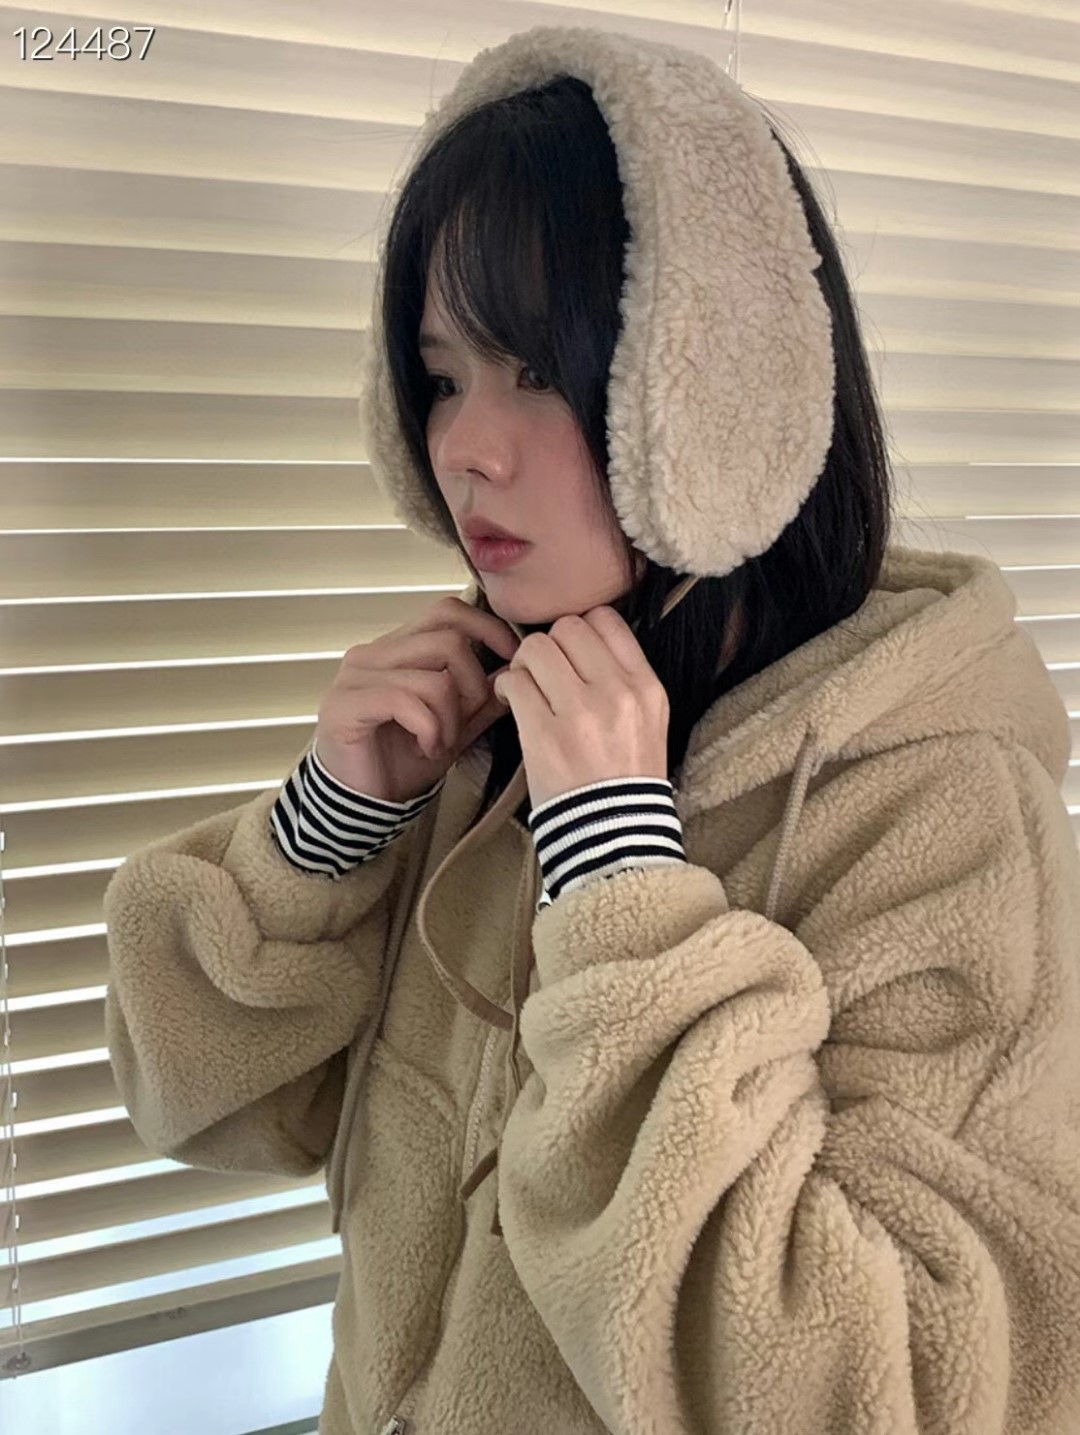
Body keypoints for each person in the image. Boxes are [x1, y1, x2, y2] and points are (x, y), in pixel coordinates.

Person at [102, 24, 1080, 1435]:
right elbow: (197, 1103)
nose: (463, 447)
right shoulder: (487, 727)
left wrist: (618, 878)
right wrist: (328, 825)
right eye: (444, 377)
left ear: (714, 397)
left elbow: (909, 1391)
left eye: (538, 372)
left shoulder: (936, 803)